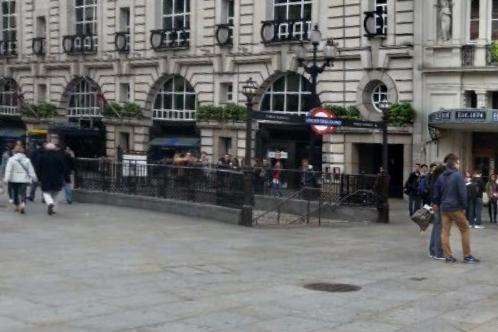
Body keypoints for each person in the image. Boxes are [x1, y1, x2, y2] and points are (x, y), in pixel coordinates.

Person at [432, 153, 480, 264]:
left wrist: (437, 203)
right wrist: (464, 206)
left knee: (445, 232)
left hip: (444, 207)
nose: (459, 164)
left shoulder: (441, 176)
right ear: (454, 163)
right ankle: (467, 256)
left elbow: (436, 192)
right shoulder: (457, 175)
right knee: (465, 229)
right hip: (455, 207)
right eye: (458, 162)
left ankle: (448, 257)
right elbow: (463, 193)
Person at [3, 143, 37, 214]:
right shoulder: (27, 160)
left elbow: (8, 170)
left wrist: (6, 179)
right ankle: (23, 204)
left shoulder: (11, 159)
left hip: (13, 180)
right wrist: (34, 178)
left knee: (15, 193)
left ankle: (17, 206)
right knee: (23, 193)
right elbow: (31, 170)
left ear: (15, 152)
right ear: (23, 152)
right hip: (24, 179)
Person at [37, 143, 67, 215]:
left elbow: (38, 168)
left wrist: (39, 177)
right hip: (57, 178)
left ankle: (50, 203)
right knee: (55, 194)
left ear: (46, 149)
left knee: (46, 192)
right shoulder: (59, 157)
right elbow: (63, 168)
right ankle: (54, 209)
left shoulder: (42, 157)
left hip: (45, 177)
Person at [428, 163, 445, 260]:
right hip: (439, 205)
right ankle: (438, 252)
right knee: (439, 229)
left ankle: (432, 250)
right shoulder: (440, 180)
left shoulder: (433, 179)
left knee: (436, 228)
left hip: (435, 204)